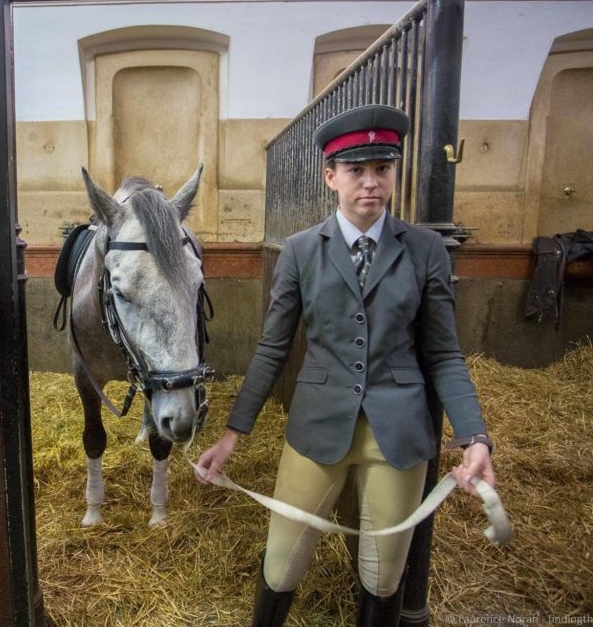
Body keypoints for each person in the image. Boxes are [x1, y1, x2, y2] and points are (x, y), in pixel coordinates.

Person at [196, 104, 496, 627]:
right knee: (283, 563)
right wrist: (232, 433)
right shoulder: (300, 251)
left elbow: (445, 353)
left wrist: (475, 436)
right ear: (331, 176)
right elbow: (272, 348)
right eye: (357, 170)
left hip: (398, 434)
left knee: (383, 576)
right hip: (317, 426)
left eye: (382, 169)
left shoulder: (425, 250)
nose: (371, 183)